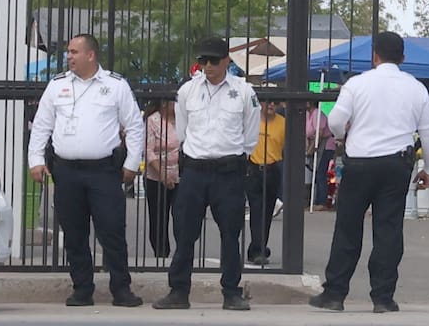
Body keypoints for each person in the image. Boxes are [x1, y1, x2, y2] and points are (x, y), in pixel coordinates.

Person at [309, 31, 429, 314]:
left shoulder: (357, 84)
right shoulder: (416, 87)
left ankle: (334, 294)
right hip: (396, 165)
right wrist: (428, 169)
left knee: (347, 228)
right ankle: (383, 297)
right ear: (403, 58)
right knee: (389, 230)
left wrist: (344, 136)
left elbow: (336, 121)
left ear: (374, 55)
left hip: (360, 163)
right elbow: (428, 133)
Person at [26, 34, 145, 308]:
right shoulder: (57, 86)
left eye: (73, 51)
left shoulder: (115, 86)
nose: (68, 56)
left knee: (112, 231)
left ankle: (121, 289)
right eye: (68, 52)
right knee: (74, 232)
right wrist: (35, 159)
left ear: (91, 55)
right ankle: (82, 288)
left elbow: (135, 127)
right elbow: (42, 125)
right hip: (66, 171)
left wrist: (131, 164)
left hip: (103, 171)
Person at [153, 36, 260, 312]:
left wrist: (233, 155)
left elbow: (250, 136)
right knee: (185, 232)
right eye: (203, 60)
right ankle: (178, 291)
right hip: (196, 170)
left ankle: (231, 292)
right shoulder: (188, 90)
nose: (208, 66)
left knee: (230, 233)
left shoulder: (244, 91)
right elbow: (184, 131)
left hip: (229, 171)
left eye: (213, 60)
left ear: (227, 61)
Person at [245, 97, 286, 265]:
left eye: (274, 103)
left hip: (272, 170)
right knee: (256, 209)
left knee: (267, 212)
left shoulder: (283, 123)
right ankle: (259, 250)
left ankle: (258, 247)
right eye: (268, 102)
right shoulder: (252, 121)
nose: (271, 105)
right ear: (260, 104)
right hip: (254, 169)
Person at [144, 99, 180, 257]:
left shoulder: (183, 119)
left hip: (181, 176)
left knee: (183, 217)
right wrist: (162, 174)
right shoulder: (153, 121)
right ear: (165, 103)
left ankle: (183, 254)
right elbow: (148, 151)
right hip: (156, 177)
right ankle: (161, 254)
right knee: (158, 218)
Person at [306, 100, 336, 209]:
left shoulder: (317, 113)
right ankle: (314, 200)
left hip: (325, 146)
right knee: (316, 173)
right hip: (315, 145)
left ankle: (322, 202)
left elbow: (320, 133)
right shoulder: (307, 115)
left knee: (321, 173)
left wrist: (311, 148)